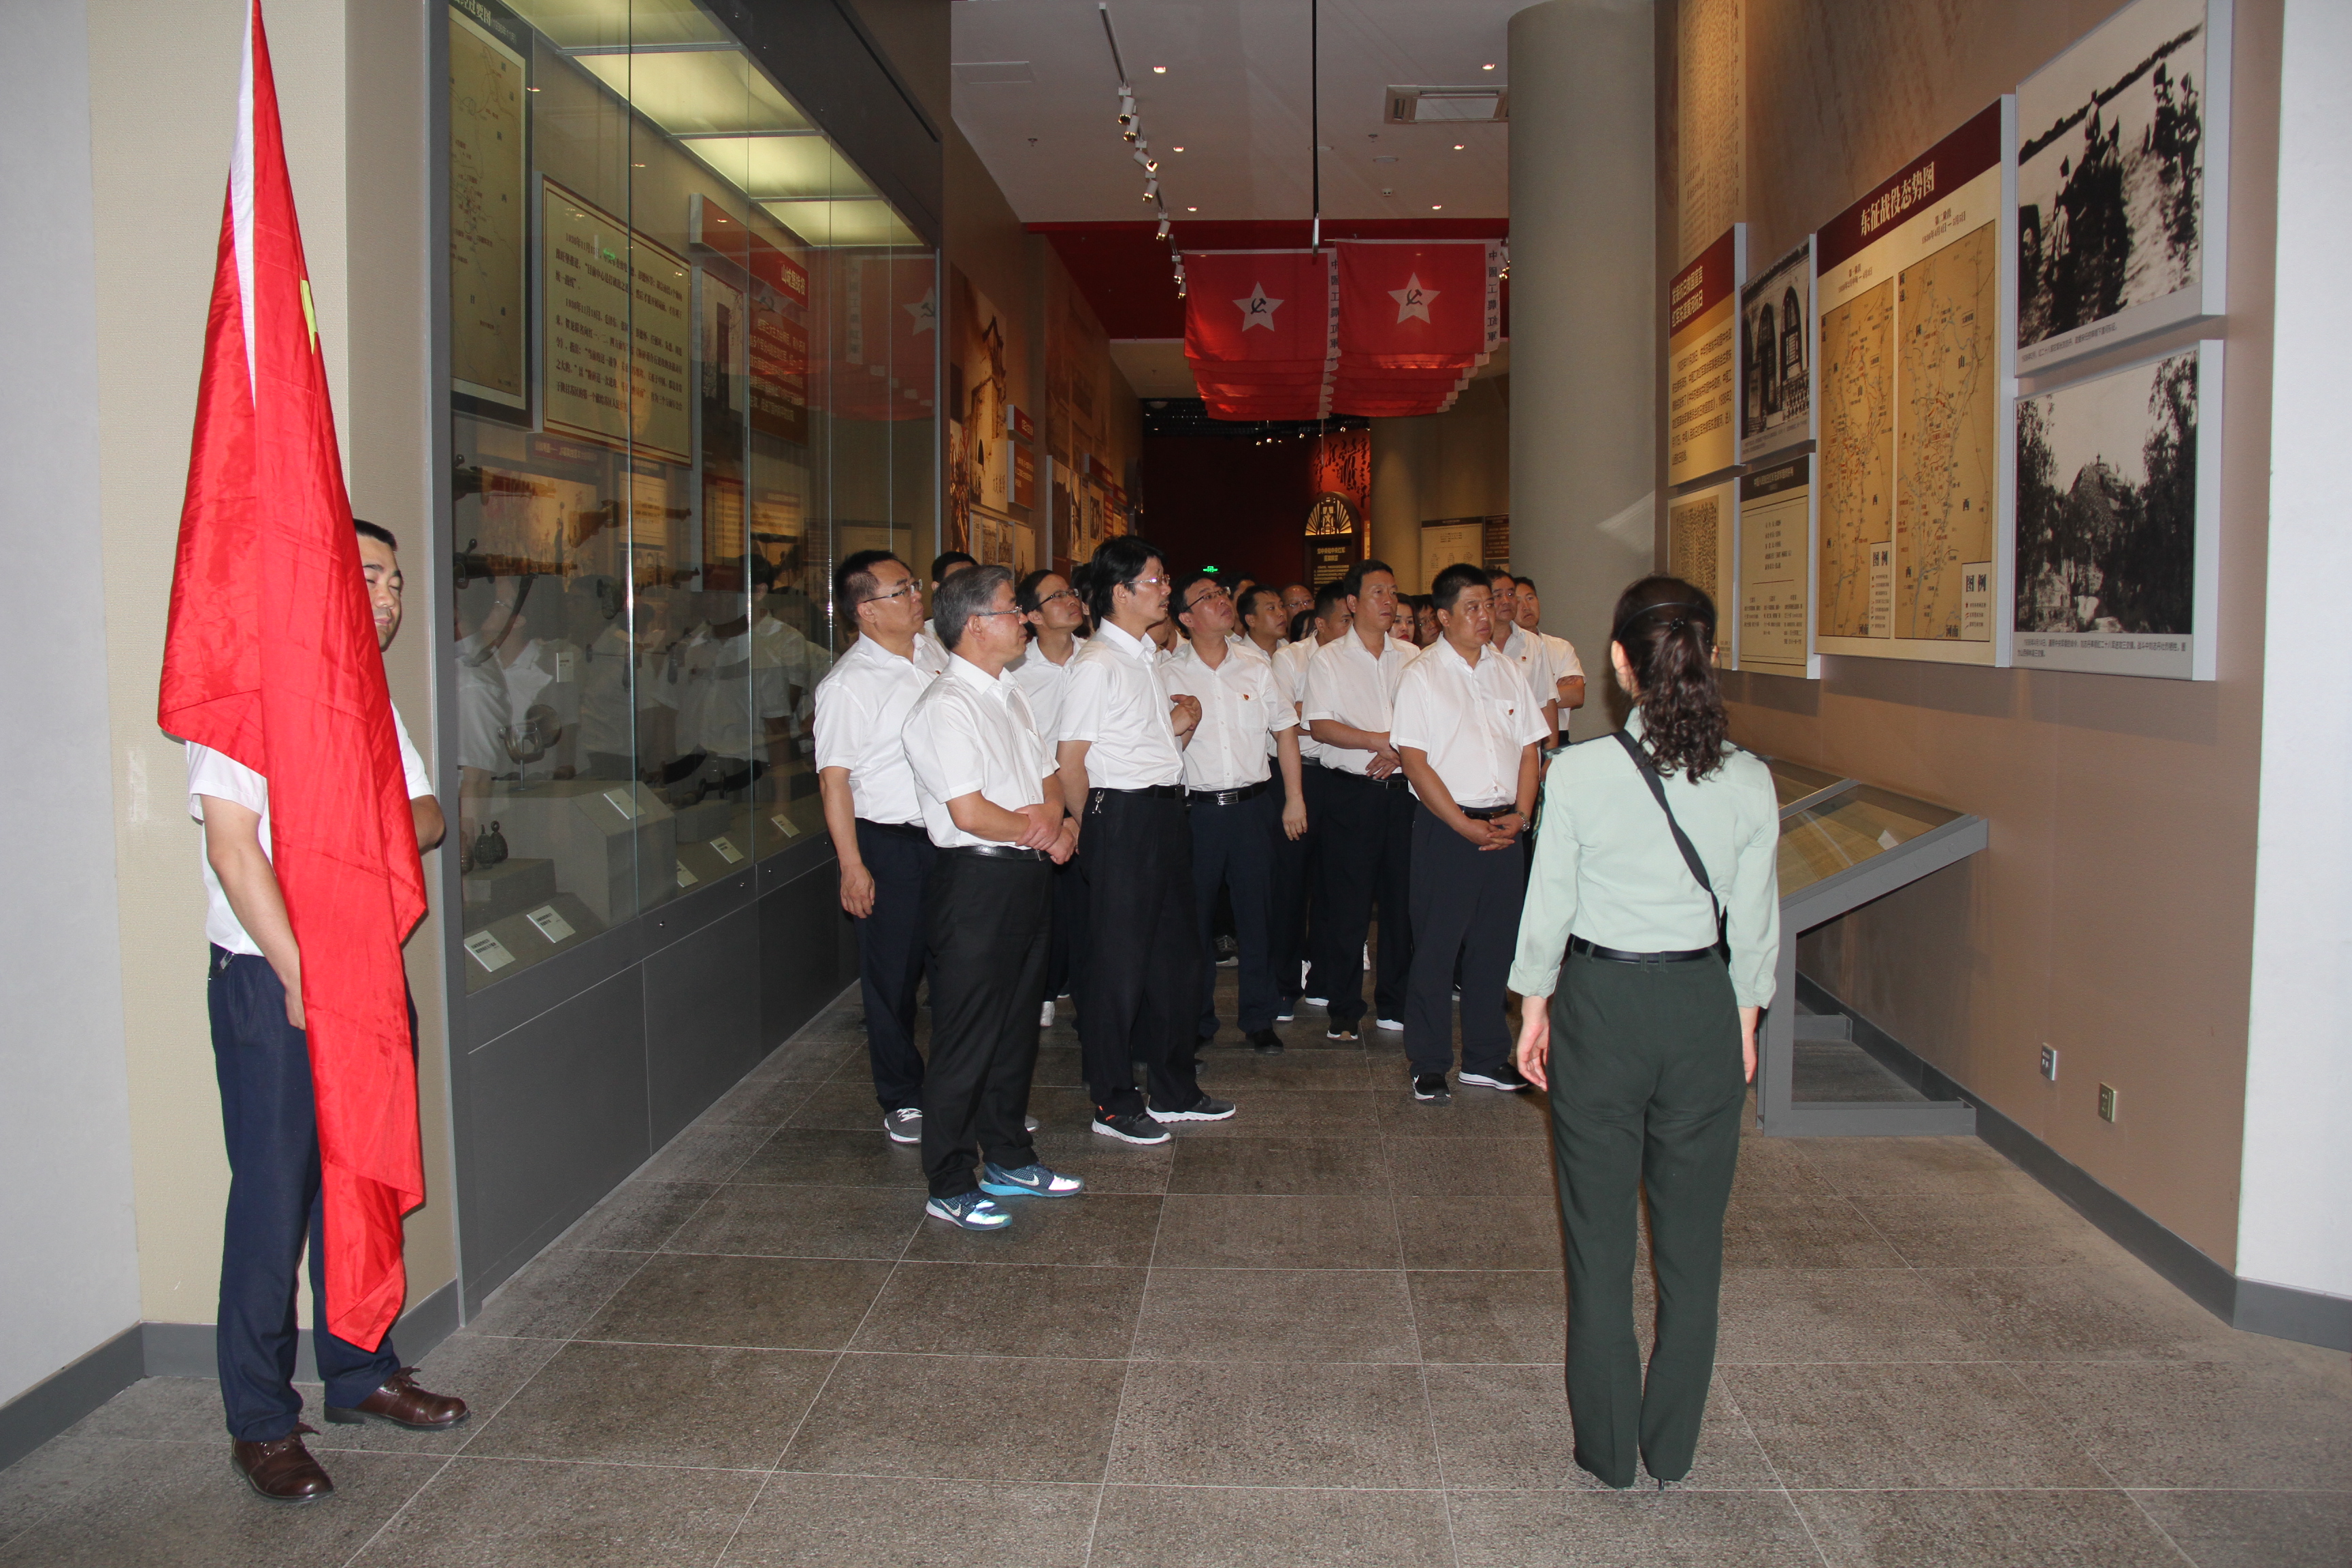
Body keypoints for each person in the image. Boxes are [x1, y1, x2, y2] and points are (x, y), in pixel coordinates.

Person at [189, 519, 465, 1504]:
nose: (388, 599)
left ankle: (359, 1371)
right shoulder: (247, 693)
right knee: (273, 1200)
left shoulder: (364, 696)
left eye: (394, 583)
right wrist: (300, 969)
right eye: (370, 578)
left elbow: (427, 814)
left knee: (361, 1179)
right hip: (275, 981)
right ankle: (262, 1422)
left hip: (363, 975)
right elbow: (234, 847)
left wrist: (358, 819)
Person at [1510, 576, 1780, 1491]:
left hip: (1603, 1006)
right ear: (1708, 657)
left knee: (1599, 1247)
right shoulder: (1749, 780)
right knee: (1693, 1253)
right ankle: (1672, 1448)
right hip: (1701, 1005)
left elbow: (1549, 905)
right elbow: (1756, 925)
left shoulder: (1580, 772)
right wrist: (1743, 1023)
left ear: (1621, 663)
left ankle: (1609, 1449)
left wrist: (1534, 1008)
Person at [901, 566, 1084, 1231]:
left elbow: (1048, 776)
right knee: (967, 1036)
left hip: (1025, 874)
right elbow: (970, 812)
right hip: (976, 882)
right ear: (976, 625)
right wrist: (1044, 830)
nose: (1025, 618)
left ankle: (1008, 1155)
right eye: (1013, 609)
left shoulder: (1009, 693)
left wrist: (1059, 822)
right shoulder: (945, 705)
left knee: (1014, 1030)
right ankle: (949, 1181)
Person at [1056, 536, 1233, 1143]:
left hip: (1165, 814)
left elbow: (1140, 746)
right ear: (1120, 592)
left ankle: (1175, 1089)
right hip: (1123, 820)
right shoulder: (1097, 663)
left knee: (1178, 961)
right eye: (1155, 581)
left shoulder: (1146, 659)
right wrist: (1092, 829)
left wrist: (1179, 726)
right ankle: (1112, 1101)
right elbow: (1071, 761)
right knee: (1120, 968)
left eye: (1163, 579)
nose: (1165, 589)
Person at [1391, 564, 1548, 1103]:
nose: (1486, 615)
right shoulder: (1422, 675)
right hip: (1447, 828)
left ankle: (1485, 1057)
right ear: (1443, 617)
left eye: (1489, 605)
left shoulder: (1508, 670)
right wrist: (1462, 824)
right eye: (1473, 607)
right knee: (1437, 948)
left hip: (1506, 825)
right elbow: (1414, 762)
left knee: (1495, 947)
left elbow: (1529, 749)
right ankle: (1430, 1060)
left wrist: (1522, 814)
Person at [813, 551, 949, 1145]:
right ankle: (901, 1096)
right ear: (866, 610)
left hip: (951, 836)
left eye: (915, 585)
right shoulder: (849, 685)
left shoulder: (934, 653)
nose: (917, 596)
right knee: (893, 980)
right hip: (890, 843)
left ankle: (960, 1093)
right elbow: (834, 782)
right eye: (902, 590)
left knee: (959, 974)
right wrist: (853, 866)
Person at [1164, 570, 1307, 1055]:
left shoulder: (1255, 666)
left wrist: (1294, 798)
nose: (1222, 601)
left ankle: (1260, 1017)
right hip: (1196, 812)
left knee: (1258, 915)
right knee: (1195, 922)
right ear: (1185, 619)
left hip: (1253, 809)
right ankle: (1197, 1019)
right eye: (1207, 597)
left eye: (1222, 594)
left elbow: (1285, 731)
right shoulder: (1166, 674)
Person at [1302, 558, 1419, 1041]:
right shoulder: (1328, 659)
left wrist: (1399, 752)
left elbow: (1428, 720)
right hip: (1351, 794)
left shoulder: (1412, 656)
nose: (1389, 601)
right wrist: (1378, 742)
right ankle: (1345, 1006)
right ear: (1352, 602)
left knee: (1401, 903)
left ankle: (1395, 1001)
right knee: (1347, 906)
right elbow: (1320, 726)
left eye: (1393, 592)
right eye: (1378, 592)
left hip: (1405, 793)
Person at [1010, 568, 1089, 1024]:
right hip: (1041, 805)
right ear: (1033, 615)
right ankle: (1043, 989)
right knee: (1044, 907)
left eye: (1071, 592)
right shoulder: (1015, 671)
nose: (1071, 600)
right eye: (1056, 596)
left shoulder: (1095, 659)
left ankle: (1086, 996)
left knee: (1086, 905)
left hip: (1094, 798)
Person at [1273, 583, 1349, 1018]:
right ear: (1321, 623)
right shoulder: (1291, 658)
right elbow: (1286, 721)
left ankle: (1323, 977)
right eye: (1344, 620)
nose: (1351, 628)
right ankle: (1284, 984)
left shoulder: (1358, 659)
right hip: (1298, 774)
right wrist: (1322, 717)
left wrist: (1316, 714)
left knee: (1333, 884)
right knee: (1290, 885)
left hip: (1342, 776)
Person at [1487, 570, 1561, 742]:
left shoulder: (1533, 644)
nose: (1506, 601)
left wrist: (1551, 752)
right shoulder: (1475, 645)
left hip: (1528, 745)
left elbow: (1547, 702)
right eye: (1498, 596)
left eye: (1511, 594)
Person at [1515, 576, 1587, 741]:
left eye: (1530, 598)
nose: (1526, 607)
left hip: (1559, 735)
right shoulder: (1503, 650)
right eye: (1518, 602)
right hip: (1521, 737)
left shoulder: (1561, 647)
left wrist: (1526, 694)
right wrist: (1553, 689)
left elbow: (1576, 695)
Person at [921, 550, 978, 644]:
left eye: (973, 581)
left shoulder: (992, 628)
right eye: (957, 582)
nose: (967, 589)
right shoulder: (924, 637)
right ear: (937, 588)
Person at [1236, 583, 1289, 660]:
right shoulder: (1236, 657)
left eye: (1281, 606)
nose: (1282, 613)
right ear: (1251, 620)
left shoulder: (1292, 652)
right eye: (1271, 608)